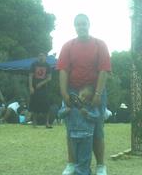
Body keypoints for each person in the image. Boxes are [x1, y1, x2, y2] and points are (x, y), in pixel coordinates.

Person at [58, 14, 111, 175]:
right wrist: (64, 93)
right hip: (73, 91)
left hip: (95, 90)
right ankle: (72, 163)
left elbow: (104, 70)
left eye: (83, 23)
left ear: (89, 24)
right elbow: (63, 70)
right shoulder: (68, 46)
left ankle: (101, 166)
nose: (81, 26)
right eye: (78, 24)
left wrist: (97, 94)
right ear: (75, 26)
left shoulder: (100, 44)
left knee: (97, 129)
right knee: (71, 129)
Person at [58, 85, 99, 175]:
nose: (84, 99)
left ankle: (84, 172)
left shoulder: (91, 106)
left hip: (87, 135)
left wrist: (87, 114)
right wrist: (66, 110)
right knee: (75, 157)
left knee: (85, 157)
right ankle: (78, 171)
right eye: (82, 95)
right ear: (79, 93)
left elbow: (97, 118)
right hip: (73, 135)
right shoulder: (70, 103)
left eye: (87, 98)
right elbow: (59, 114)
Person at [28, 52, 52, 128]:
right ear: (38, 57)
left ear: (45, 57)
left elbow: (49, 78)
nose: (41, 57)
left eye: (42, 56)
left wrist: (41, 83)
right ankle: (34, 123)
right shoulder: (34, 64)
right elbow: (30, 76)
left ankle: (47, 123)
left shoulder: (47, 65)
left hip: (44, 88)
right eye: (39, 55)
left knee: (46, 105)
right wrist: (30, 87)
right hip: (34, 88)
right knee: (34, 105)